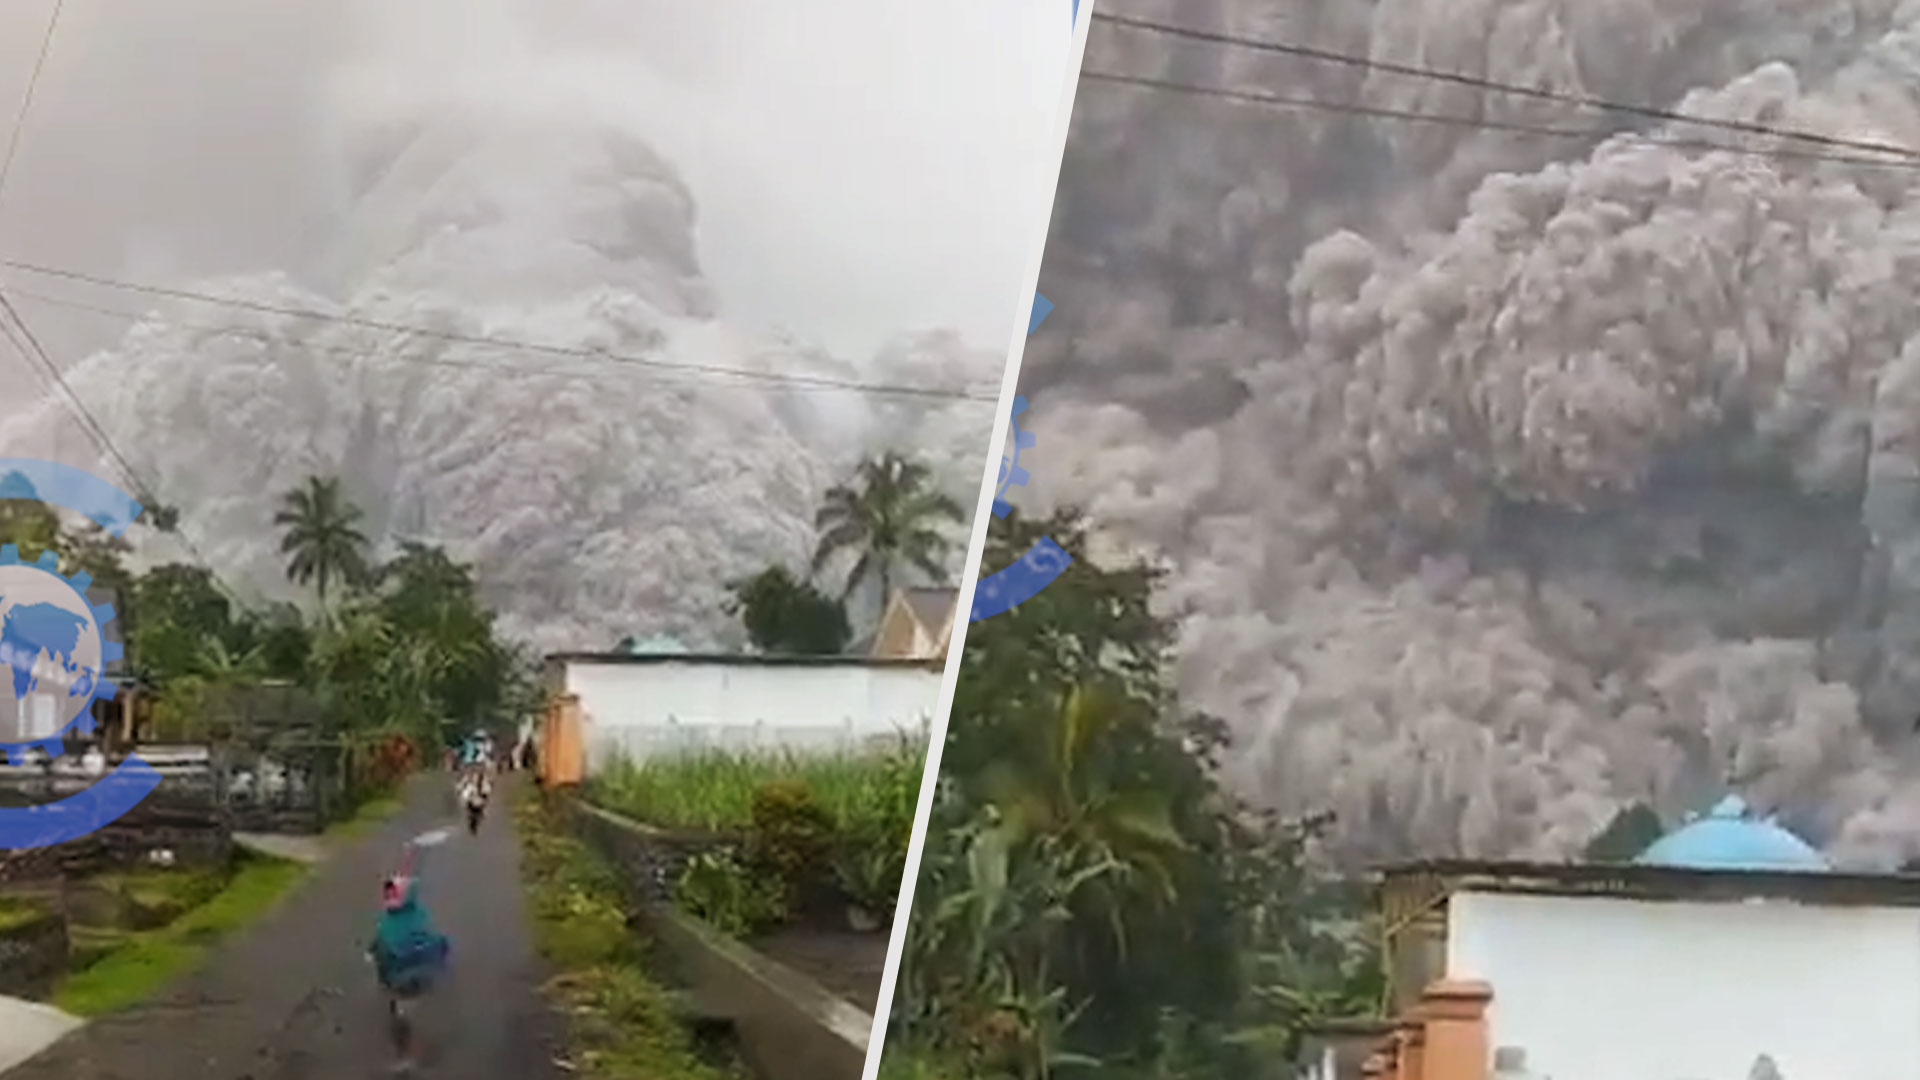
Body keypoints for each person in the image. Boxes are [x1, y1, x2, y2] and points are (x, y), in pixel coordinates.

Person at [368, 865, 450, 1072]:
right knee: (403, 1011)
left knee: (401, 1014)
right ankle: (407, 1047)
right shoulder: (411, 917)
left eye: (393, 893)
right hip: (408, 976)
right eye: (388, 893)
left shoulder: (399, 921)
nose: (389, 898)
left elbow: (384, 946)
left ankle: (405, 1054)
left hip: (405, 977)